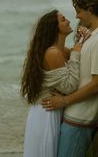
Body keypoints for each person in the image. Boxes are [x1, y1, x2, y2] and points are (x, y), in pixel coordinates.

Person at [42, 0, 98, 157]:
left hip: (80, 120)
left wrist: (64, 100)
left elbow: (97, 84)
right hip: (74, 117)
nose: (76, 17)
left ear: (90, 10)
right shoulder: (94, 36)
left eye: (78, 12)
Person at [21, 9, 82, 157]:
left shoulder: (61, 50)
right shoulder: (52, 53)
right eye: (63, 19)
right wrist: (76, 54)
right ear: (54, 29)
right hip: (46, 113)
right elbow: (69, 86)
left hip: (48, 109)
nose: (68, 21)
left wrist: (81, 41)